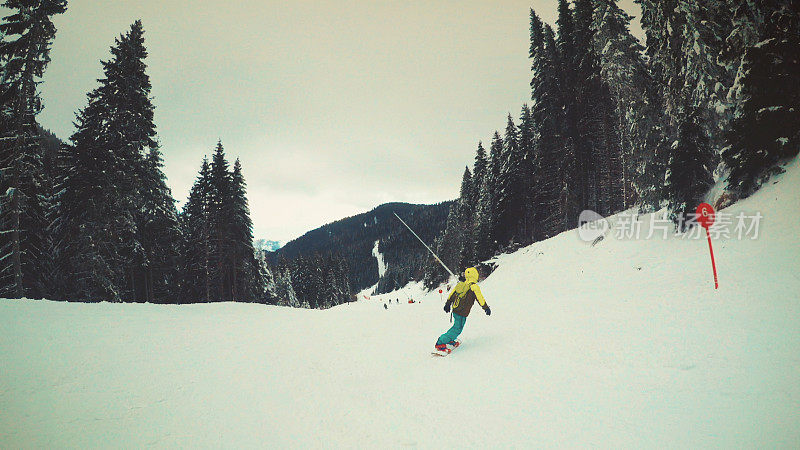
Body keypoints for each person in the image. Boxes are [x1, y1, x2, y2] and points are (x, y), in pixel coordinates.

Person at [435, 267, 491, 353]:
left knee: (457, 327)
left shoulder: (462, 284)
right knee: (457, 328)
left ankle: (450, 338)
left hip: (456, 310)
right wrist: (486, 308)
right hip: (462, 312)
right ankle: (441, 342)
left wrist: (448, 303)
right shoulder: (474, 287)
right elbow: (480, 298)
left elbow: (452, 294)